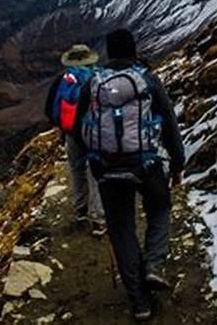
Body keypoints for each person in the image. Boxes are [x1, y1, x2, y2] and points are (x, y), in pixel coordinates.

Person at [75, 29, 185, 321]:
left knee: (122, 229)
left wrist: (93, 161)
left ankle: (140, 303)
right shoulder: (147, 79)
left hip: (108, 168)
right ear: (134, 50)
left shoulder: (93, 83)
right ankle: (154, 266)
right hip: (146, 164)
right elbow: (170, 122)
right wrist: (177, 162)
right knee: (160, 209)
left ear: (109, 53)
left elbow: (78, 127)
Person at [44, 44, 106, 236]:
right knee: (95, 173)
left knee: (76, 169)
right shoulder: (100, 78)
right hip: (95, 133)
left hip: (72, 134)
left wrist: (64, 128)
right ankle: (98, 219)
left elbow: (49, 110)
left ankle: (80, 210)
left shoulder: (63, 81)